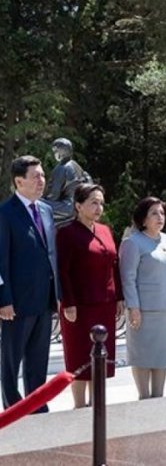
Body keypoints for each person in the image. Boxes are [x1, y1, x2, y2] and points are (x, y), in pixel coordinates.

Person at [0, 156, 60, 411]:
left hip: (44, 299)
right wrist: (4, 299)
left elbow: (49, 254)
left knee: (38, 357)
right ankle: (13, 407)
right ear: (18, 181)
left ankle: (37, 406)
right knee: (12, 360)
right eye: (35, 176)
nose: (41, 181)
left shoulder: (45, 210)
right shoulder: (5, 213)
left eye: (43, 175)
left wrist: (57, 293)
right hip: (17, 302)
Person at [57, 183, 124, 408]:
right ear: (78, 206)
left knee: (101, 358)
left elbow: (114, 265)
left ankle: (97, 405)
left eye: (101, 203)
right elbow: (63, 271)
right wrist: (68, 303)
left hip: (105, 304)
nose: (99, 208)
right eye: (93, 202)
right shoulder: (66, 233)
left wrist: (120, 297)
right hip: (79, 306)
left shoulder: (104, 230)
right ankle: (79, 405)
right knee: (79, 357)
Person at [119, 197, 166, 399]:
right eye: (154, 213)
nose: (160, 217)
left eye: (162, 213)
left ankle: (158, 396)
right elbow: (128, 279)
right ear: (143, 219)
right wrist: (133, 307)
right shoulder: (132, 242)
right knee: (143, 357)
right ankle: (144, 397)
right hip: (144, 311)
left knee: (161, 357)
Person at [42, 138, 92, 226]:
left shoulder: (61, 168)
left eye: (56, 151)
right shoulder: (76, 165)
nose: (54, 154)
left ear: (62, 151)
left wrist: (41, 197)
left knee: (35, 202)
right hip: (80, 206)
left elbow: (53, 196)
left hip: (67, 208)